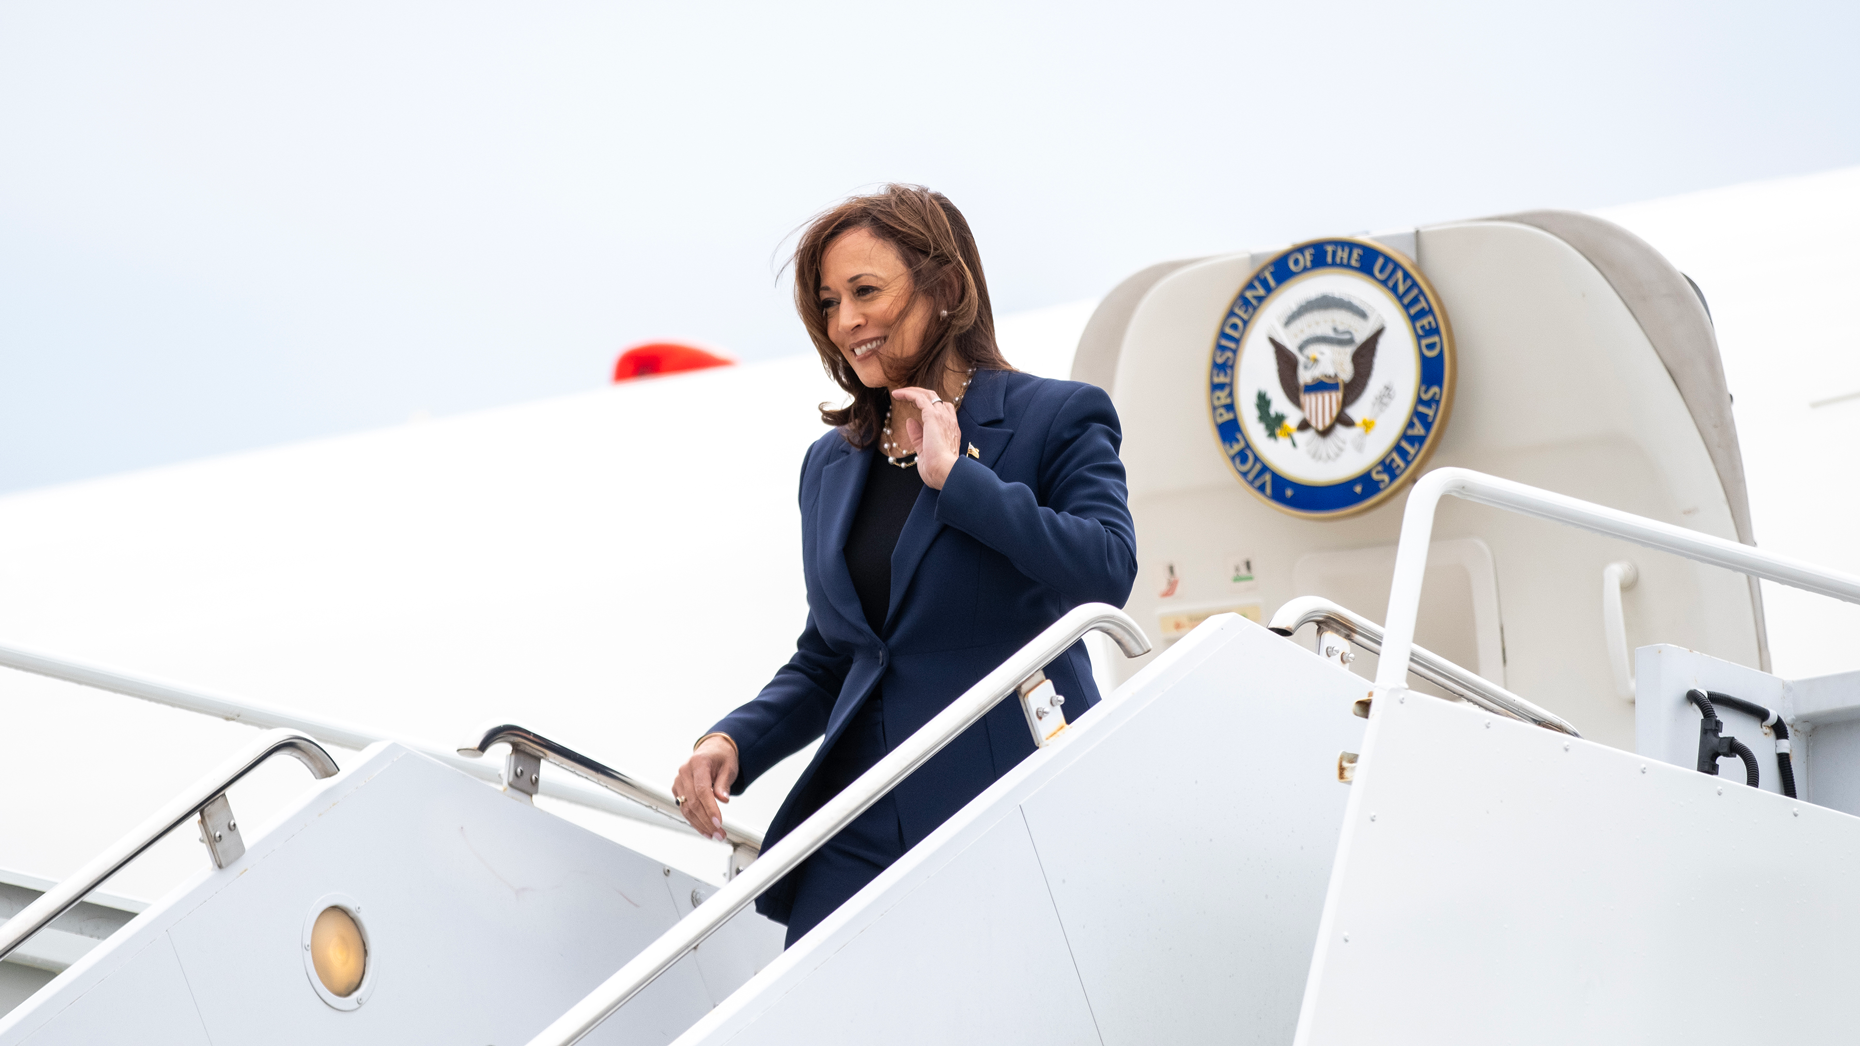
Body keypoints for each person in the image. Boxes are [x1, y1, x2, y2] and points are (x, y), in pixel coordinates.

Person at [670, 184, 1136, 946]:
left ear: (946, 288)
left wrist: (962, 482)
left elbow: (1107, 570)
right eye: (828, 302)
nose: (845, 321)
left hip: (1000, 791)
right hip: (858, 812)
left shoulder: (1058, 416)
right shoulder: (829, 464)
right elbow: (836, 653)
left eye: (865, 292)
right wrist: (733, 742)